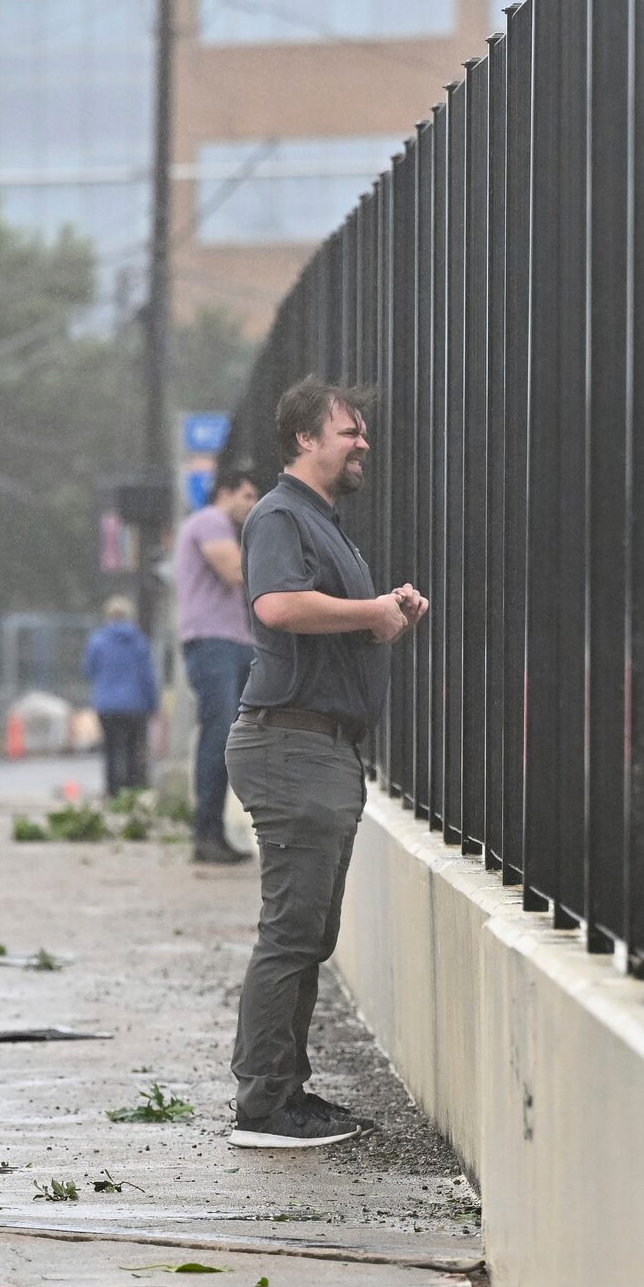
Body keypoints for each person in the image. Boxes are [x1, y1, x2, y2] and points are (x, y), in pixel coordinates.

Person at [225, 377, 427, 1150]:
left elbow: (334, 624)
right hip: (290, 746)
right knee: (292, 931)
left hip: (315, 748)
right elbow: (276, 606)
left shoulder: (320, 521)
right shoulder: (281, 515)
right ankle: (265, 1107)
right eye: (349, 431)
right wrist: (367, 610)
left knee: (305, 931)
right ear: (305, 439)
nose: (362, 443)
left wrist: (386, 618)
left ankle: (284, 1092)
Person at [172, 464, 262, 865]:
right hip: (213, 643)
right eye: (247, 496)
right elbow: (233, 570)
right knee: (218, 734)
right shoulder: (209, 521)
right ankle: (205, 831)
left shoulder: (221, 526)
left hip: (231, 641)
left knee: (230, 737)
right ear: (224, 492)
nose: (253, 505)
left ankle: (214, 832)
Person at [83, 596, 158, 797]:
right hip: (135, 705)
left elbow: (89, 671)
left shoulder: (97, 641)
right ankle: (133, 794)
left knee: (111, 751)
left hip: (107, 705)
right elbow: (148, 676)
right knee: (134, 751)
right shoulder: (138, 640)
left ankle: (112, 792)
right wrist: (153, 705)